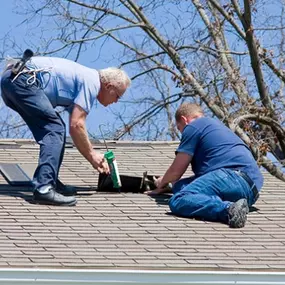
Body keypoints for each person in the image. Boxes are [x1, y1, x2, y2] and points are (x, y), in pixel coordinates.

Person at [1, 55, 131, 206]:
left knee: (56, 128)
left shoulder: (84, 79)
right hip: (22, 80)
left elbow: (74, 128)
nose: (116, 101)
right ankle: (44, 188)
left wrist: (92, 157)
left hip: (11, 80)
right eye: (117, 96)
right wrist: (92, 155)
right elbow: (77, 125)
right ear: (108, 86)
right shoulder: (92, 82)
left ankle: (50, 181)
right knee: (54, 129)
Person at [147, 102, 263, 228]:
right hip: (250, 191)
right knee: (180, 186)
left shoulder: (193, 126)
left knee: (178, 200)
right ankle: (232, 205)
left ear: (184, 120)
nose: (183, 133)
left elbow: (177, 171)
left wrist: (162, 182)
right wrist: (170, 185)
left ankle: (228, 210)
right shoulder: (216, 126)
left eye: (180, 129)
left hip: (231, 177)